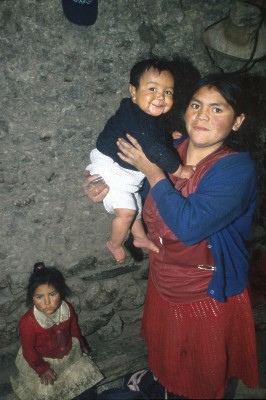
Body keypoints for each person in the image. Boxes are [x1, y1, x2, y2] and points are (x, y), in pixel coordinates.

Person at [84, 73, 259, 399]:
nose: (202, 115)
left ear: (238, 122)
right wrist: (101, 185)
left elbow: (189, 226)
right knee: (166, 351)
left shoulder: (236, 170)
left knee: (199, 371)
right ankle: (158, 384)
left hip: (205, 293)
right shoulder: (169, 147)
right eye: (196, 104)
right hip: (164, 278)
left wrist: (152, 169)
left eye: (217, 109)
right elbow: (120, 175)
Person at [85, 58, 194, 262]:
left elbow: (153, 135)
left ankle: (140, 237)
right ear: (133, 92)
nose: (160, 96)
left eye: (168, 92)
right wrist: (179, 170)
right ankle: (114, 243)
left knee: (135, 204)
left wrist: (169, 136)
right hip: (111, 167)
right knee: (127, 212)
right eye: (152, 89)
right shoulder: (137, 119)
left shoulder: (142, 116)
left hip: (122, 169)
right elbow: (153, 148)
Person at [10, 262, 103, 400]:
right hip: (43, 361)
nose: (47, 302)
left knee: (86, 388)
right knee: (50, 392)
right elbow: (28, 350)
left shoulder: (67, 309)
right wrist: (41, 368)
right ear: (32, 297)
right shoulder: (28, 322)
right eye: (39, 297)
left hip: (69, 356)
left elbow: (74, 328)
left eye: (52, 294)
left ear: (61, 291)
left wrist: (81, 343)